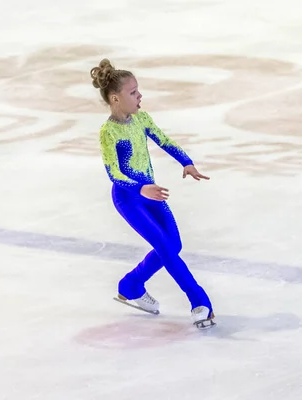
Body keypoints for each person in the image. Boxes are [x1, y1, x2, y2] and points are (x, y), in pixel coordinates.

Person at [90, 58, 215, 329]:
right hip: (129, 198)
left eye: (138, 90)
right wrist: (140, 187)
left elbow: (164, 140)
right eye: (133, 92)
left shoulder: (142, 119)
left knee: (174, 246)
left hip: (151, 194)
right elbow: (114, 173)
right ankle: (200, 302)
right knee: (167, 250)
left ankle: (131, 284)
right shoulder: (108, 132)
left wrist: (187, 162)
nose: (139, 96)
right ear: (115, 98)